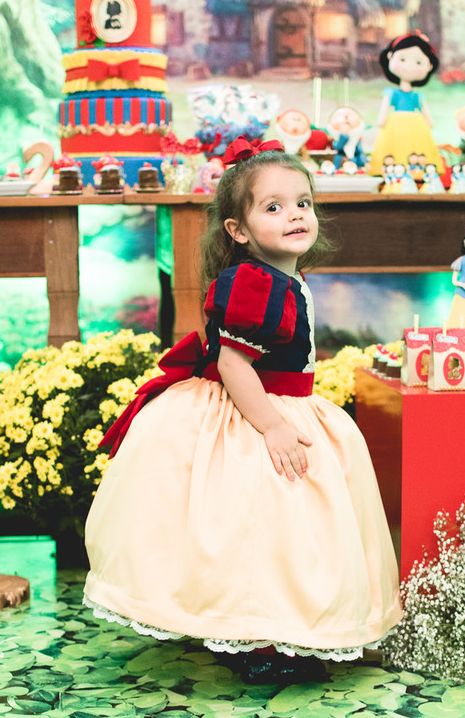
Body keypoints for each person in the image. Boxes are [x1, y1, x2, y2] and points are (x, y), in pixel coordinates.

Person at [85, 139, 401, 685]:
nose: (295, 215)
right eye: (273, 207)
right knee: (256, 522)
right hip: (252, 411)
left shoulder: (285, 277)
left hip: (281, 401)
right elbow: (233, 364)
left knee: (285, 530)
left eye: (302, 203)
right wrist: (273, 426)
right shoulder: (255, 281)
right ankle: (253, 634)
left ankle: (284, 627)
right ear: (238, 230)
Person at [368, 32, 444, 176]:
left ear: (429, 66)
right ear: (390, 57)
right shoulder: (391, 93)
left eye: (418, 63)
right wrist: (381, 119)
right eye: (402, 59)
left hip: (417, 125)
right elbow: (384, 108)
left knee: (417, 149)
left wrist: (429, 121)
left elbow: (425, 111)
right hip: (395, 124)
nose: (409, 67)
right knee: (396, 147)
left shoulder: (417, 95)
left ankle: (417, 172)